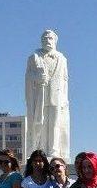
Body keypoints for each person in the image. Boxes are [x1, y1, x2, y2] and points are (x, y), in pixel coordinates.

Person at [25, 29, 70, 159]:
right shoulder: (34, 57)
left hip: (57, 97)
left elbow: (65, 79)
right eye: (44, 39)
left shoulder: (62, 58)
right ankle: (40, 149)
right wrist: (36, 78)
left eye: (50, 38)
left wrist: (65, 99)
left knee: (56, 123)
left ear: (55, 41)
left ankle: (54, 150)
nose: (47, 41)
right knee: (41, 123)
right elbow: (28, 76)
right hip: (40, 96)